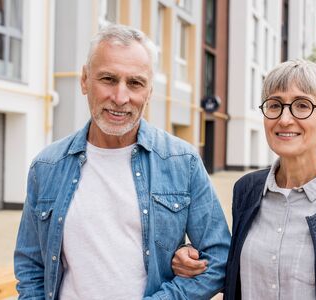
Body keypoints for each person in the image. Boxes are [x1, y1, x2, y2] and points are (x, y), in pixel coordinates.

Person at [14, 24, 230, 299]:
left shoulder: (182, 162)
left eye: (135, 83)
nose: (120, 97)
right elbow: (31, 267)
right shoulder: (46, 167)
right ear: (84, 80)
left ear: (149, 91)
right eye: (108, 79)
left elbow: (219, 258)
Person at [173, 59, 316, 299]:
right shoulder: (247, 189)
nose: (285, 119)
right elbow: (233, 267)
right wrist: (190, 258)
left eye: (302, 105)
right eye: (274, 105)